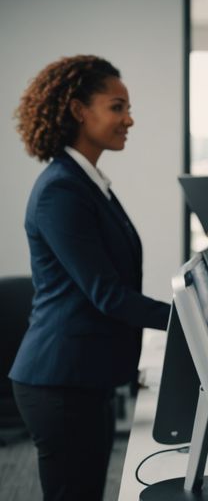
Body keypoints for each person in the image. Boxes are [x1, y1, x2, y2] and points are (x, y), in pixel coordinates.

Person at [9, 55, 171, 501]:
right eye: (117, 107)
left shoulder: (89, 182)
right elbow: (108, 295)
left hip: (88, 377)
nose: (129, 119)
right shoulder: (61, 190)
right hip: (59, 381)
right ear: (80, 110)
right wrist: (188, 320)